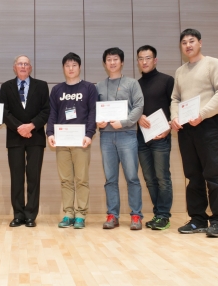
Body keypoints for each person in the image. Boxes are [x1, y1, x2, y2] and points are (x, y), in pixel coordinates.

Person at [170, 29, 218, 238]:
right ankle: (198, 219)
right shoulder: (180, 71)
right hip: (186, 129)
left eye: (192, 41)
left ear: (200, 43)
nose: (188, 45)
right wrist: (175, 117)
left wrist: (203, 114)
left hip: (208, 125)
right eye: (184, 42)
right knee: (193, 176)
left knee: (213, 174)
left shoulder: (213, 64)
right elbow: (175, 98)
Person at [46, 52, 98, 229]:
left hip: (81, 141)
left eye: (74, 65)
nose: (71, 68)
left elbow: (92, 112)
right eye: (67, 65)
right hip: (62, 141)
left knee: (81, 179)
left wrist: (89, 134)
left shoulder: (89, 88)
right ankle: (68, 213)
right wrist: (50, 133)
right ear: (63, 68)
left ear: (80, 67)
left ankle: (81, 215)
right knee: (66, 180)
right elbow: (52, 113)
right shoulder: (57, 90)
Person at [97, 48, 144, 230]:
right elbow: (94, 109)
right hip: (106, 136)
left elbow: (139, 106)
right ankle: (112, 215)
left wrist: (124, 122)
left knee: (132, 177)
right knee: (110, 178)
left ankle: (136, 215)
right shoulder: (99, 86)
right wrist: (98, 122)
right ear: (105, 63)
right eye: (109, 60)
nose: (112, 62)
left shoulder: (132, 83)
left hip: (127, 135)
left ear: (122, 62)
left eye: (115, 59)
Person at [0, 55, 50, 228]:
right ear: (14, 67)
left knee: (33, 177)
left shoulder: (41, 86)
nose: (23, 66)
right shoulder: (6, 87)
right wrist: (19, 127)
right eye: (20, 64)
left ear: (31, 67)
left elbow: (46, 111)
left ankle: (30, 215)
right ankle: (18, 215)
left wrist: (31, 126)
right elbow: (4, 112)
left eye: (26, 64)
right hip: (15, 137)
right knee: (16, 177)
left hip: (36, 137)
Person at [136, 45, 174, 230]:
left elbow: (175, 107)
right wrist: (138, 117)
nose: (144, 62)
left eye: (148, 58)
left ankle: (164, 216)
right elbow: (133, 109)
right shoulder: (135, 85)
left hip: (161, 137)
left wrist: (168, 128)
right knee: (149, 178)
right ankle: (158, 213)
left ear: (155, 60)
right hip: (142, 139)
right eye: (141, 59)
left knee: (162, 177)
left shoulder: (167, 80)